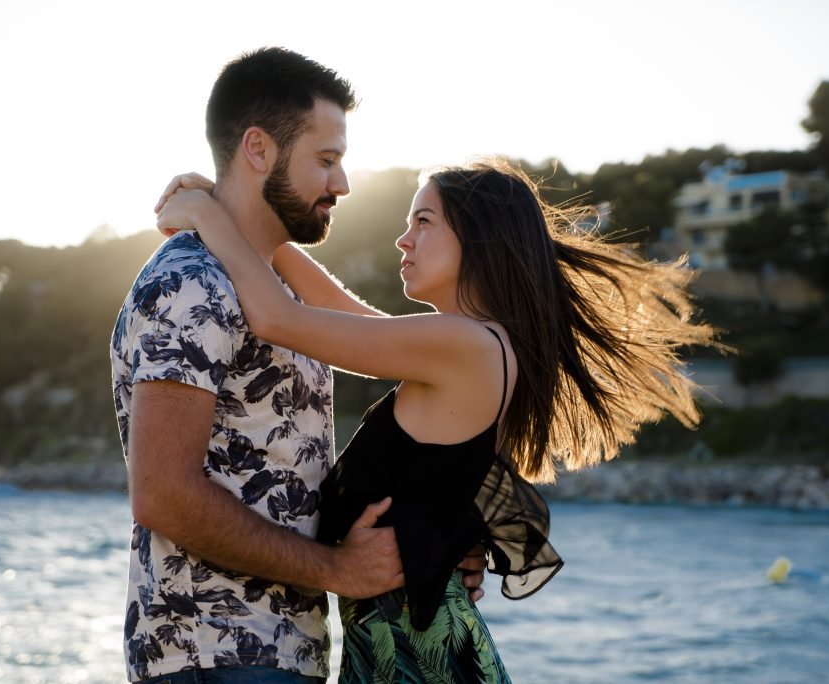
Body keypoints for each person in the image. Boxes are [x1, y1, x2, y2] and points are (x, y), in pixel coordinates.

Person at [154, 158, 719, 682]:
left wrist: (208, 214)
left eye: (423, 222)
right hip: (403, 646)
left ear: (480, 239)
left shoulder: (465, 346)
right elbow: (339, 312)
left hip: (420, 654)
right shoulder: (469, 345)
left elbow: (279, 319)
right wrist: (249, 226)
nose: (404, 239)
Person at [111, 47, 486, 684]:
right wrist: (338, 569)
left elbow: (365, 353)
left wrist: (440, 537)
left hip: (282, 651)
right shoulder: (191, 283)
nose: (342, 184)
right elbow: (163, 494)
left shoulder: (273, 293)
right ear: (259, 149)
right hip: (214, 652)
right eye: (326, 159)